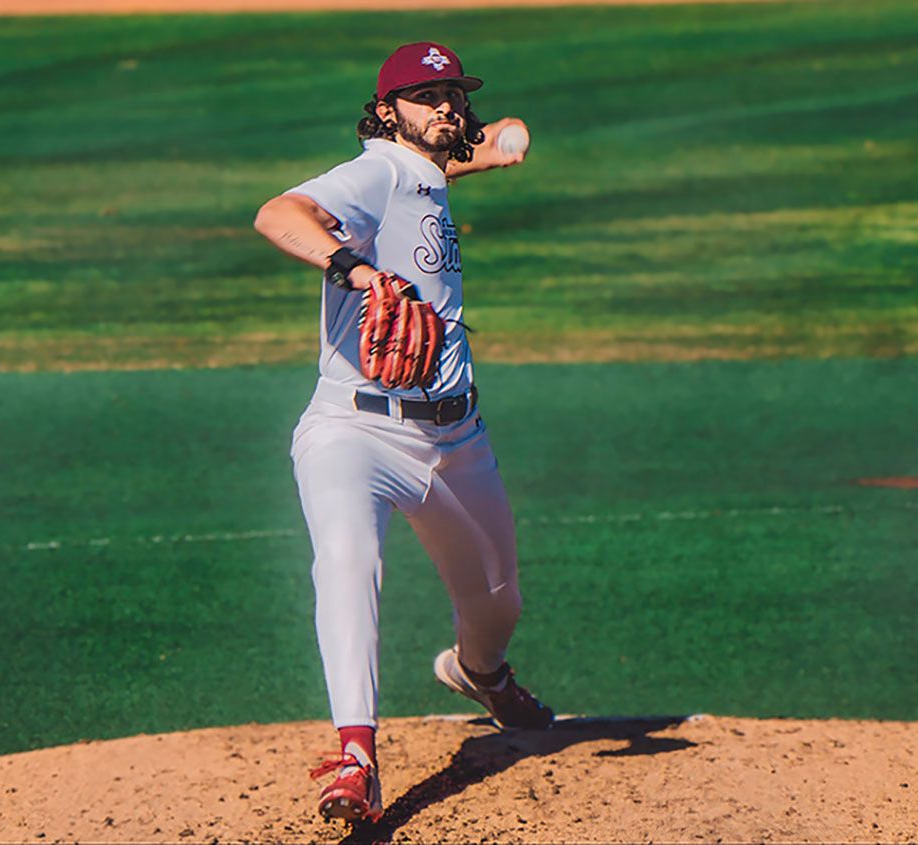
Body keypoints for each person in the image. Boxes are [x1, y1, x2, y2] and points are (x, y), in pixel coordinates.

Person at [253, 41, 553, 825]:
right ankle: (355, 755)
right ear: (387, 110)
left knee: (497, 602)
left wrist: (488, 146)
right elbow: (278, 212)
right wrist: (352, 268)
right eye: (426, 95)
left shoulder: (421, 172)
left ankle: (481, 672)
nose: (446, 105)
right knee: (349, 562)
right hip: (353, 431)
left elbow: (503, 136)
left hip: (456, 443)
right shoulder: (376, 172)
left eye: (454, 92)